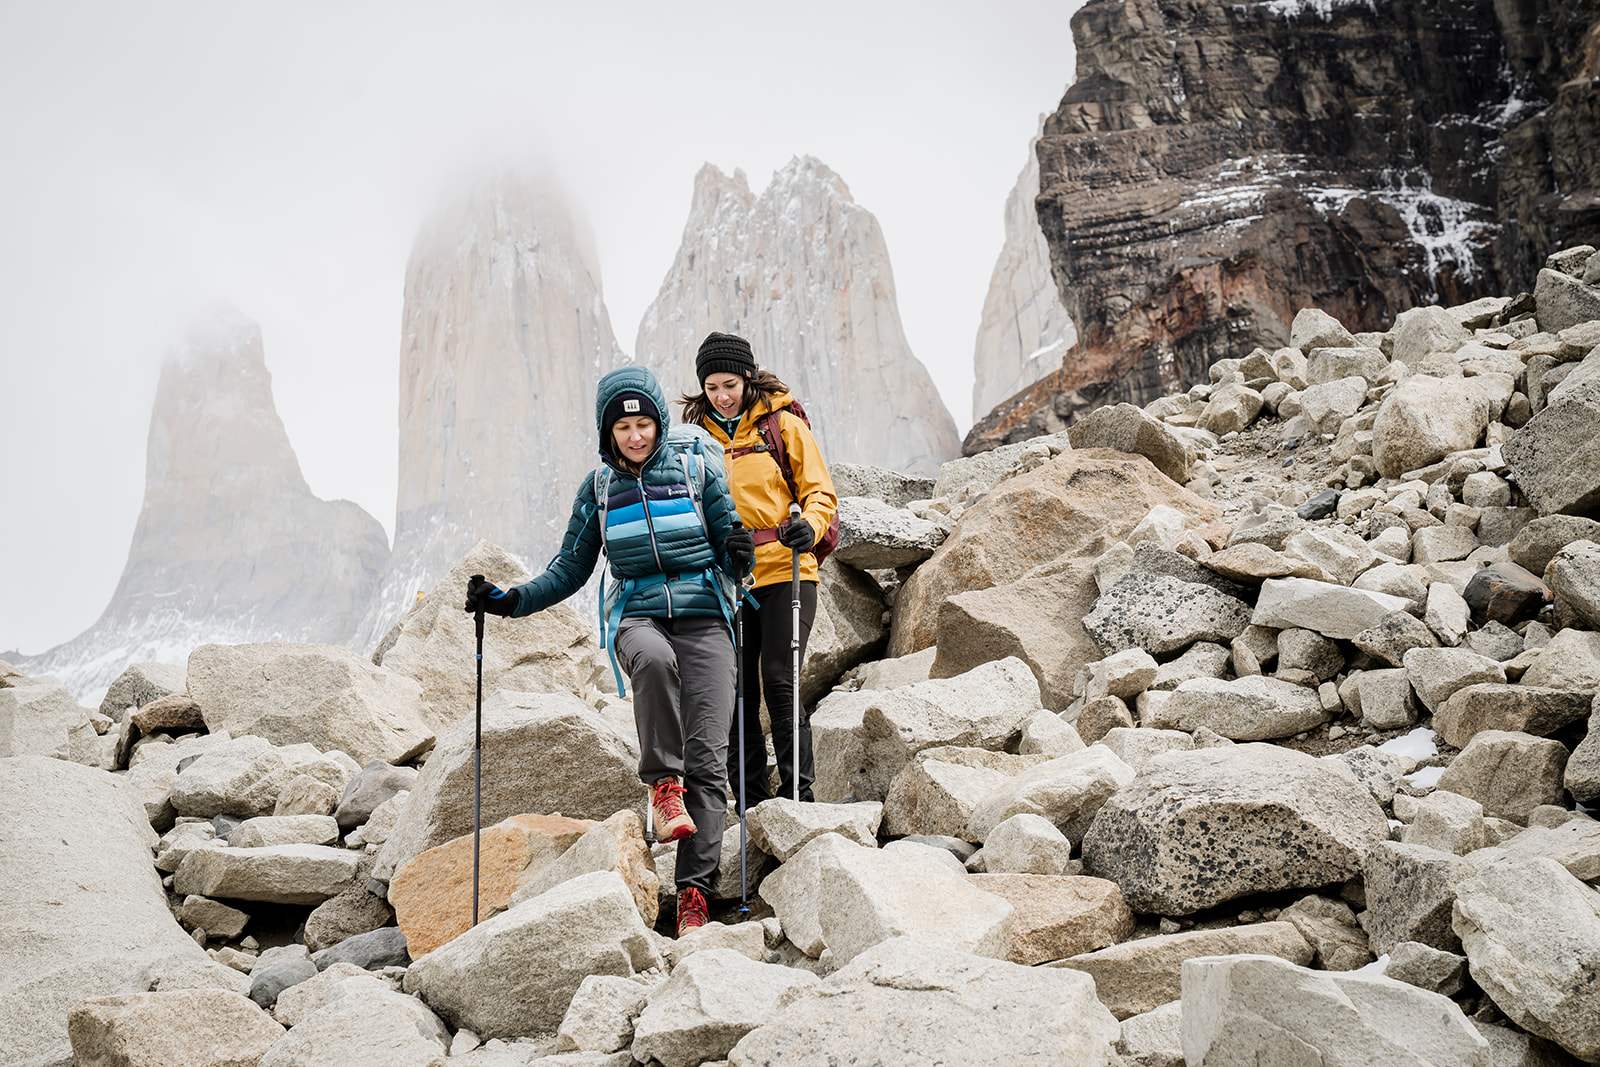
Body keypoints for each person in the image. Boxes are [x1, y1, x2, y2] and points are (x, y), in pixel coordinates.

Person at [464, 365, 755, 937]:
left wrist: (740, 552)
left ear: (659, 422)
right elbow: (569, 568)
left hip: (707, 619)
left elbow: (730, 543)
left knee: (711, 761)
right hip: (639, 616)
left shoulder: (697, 470)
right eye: (623, 427)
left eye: (644, 422)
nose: (636, 435)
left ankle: (695, 896)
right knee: (652, 660)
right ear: (607, 432)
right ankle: (663, 788)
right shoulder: (599, 490)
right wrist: (508, 600)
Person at [681, 331, 838, 808]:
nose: (722, 396)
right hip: (727, 581)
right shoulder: (695, 441)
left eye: (729, 384)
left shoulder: (783, 426)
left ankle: (796, 801)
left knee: (779, 679)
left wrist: (808, 528)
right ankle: (749, 803)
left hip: (787, 571)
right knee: (736, 692)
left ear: (748, 378)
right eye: (712, 388)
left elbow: (820, 493)